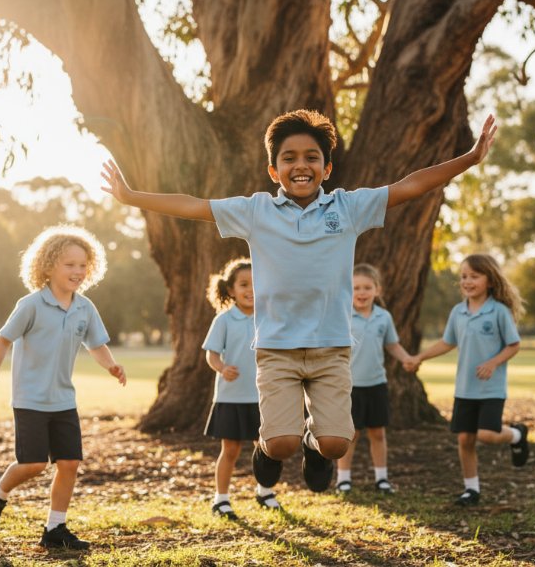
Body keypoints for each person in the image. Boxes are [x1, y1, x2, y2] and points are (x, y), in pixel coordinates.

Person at [101, 109, 496, 493]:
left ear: (327, 169)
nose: (300, 165)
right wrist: (131, 196)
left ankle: (314, 443)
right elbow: (193, 205)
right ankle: (270, 447)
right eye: (288, 158)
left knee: (337, 444)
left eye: (312, 157)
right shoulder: (256, 211)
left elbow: (411, 185)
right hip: (276, 350)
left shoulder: (348, 207)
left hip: (332, 349)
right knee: (280, 444)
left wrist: (471, 158)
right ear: (274, 171)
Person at [0, 224, 127, 549]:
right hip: (30, 399)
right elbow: (2, 341)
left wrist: (111, 365)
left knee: (69, 463)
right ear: (48, 266)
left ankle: (54, 530)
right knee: (33, 464)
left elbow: (96, 344)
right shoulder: (31, 304)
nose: (78, 271)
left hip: (63, 400)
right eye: (69, 264)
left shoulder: (85, 307)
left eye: (83, 265)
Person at [404, 254, 528, 507]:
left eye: (474, 276)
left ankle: (516, 435)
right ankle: (471, 490)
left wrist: (493, 362)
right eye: (463, 277)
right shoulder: (458, 312)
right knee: (465, 439)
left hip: (491, 389)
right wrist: (420, 357)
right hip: (464, 388)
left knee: (487, 435)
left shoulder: (499, 311)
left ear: (490, 281)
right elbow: (448, 342)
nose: (467, 281)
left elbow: (514, 345)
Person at [202, 258, 282, 519]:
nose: (250, 289)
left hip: (264, 396)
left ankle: (265, 491)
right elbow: (211, 355)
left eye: (256, 284)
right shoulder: (224, 319)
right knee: (231, 449)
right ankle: (221, 499)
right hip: (232, 396)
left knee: (266, 448)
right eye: (244, 284)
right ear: (231, 289)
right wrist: (221, 367)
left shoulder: (269, 317)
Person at [335, 263, 418, 495]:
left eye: (367, 287)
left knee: (378, 433)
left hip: (376, 384)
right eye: (356, 288)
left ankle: (382, 479)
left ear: (377, 290)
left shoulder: (384, 317)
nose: (361, 293)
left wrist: (406, 359)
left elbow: (392, 344)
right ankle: (343, 479)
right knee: (350, 435)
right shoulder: (343, 316)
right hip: (349, 386)